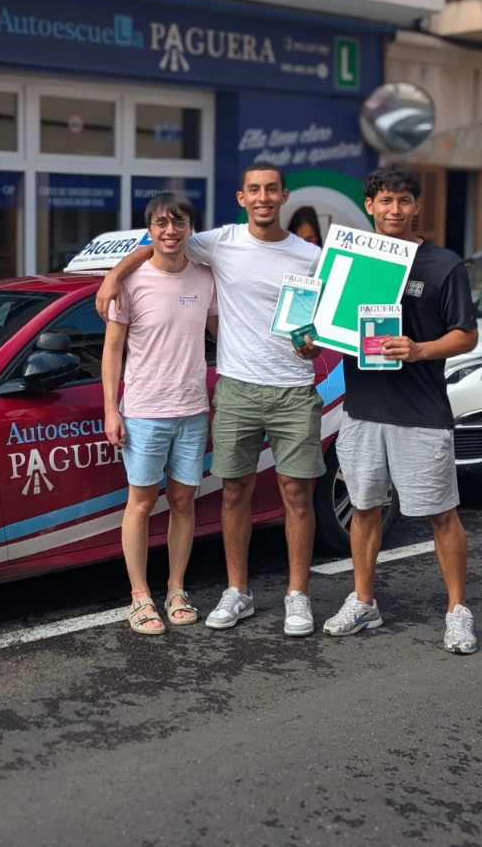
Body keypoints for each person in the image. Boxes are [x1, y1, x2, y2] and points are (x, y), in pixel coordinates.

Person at [97, 164, 325, 637]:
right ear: (241, 198)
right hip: (225, 392)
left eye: (271, 190)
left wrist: (314, 343)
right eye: (254, 190)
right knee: (228, 494)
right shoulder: (220, 243)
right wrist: (113, 275)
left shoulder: (308, 255)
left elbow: (321, 322)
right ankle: (225, 592)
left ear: (284, 196)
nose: (263, 197)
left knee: (295, 496)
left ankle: (294, 597)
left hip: (277, 390)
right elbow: (156, 243)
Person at [323, 164, 479, 654]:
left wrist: (419, 349)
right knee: (364, 510)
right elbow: (327, 325)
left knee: (441, 514)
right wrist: (310, 342)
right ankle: (364, 602)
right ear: (370, 205)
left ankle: (457, 612)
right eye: (385, 200)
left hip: (421, 412)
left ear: (416, 207)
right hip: (363, 410)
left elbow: (466, 334)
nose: (394, 210)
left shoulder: (443, 264)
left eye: (404, 201)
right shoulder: (348, 259)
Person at [101, 192, 218, 635]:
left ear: (190, 228)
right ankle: (139, 597)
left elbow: (225, 333)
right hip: (145, 413)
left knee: (184, 501)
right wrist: (111, 409)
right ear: (149, 231)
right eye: (162, 223)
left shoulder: (205, 278)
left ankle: (175, 589)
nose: (171, 230)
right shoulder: (130, 283)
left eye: (179, 222)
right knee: (142, 503)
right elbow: (112, 351)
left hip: (192, 409)